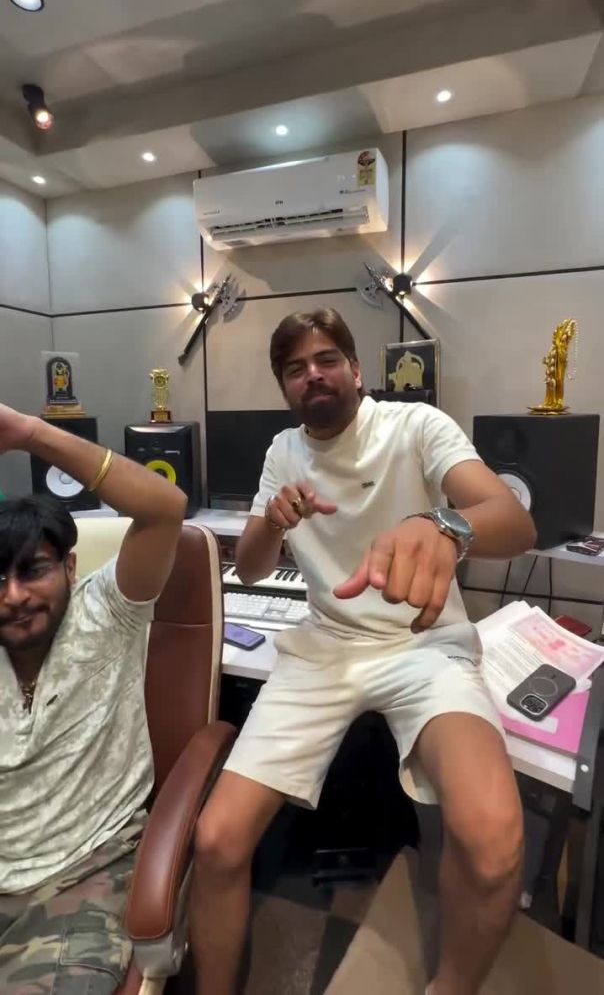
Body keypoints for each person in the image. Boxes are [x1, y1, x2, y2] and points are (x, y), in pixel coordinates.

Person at [191, 307, 537, 995]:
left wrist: (443, 525)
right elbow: (251, 568)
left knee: (493, 842)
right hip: (325, 649)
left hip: (425, 646)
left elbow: (516, 522)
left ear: (355, 369)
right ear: (284, 387)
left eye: (326, 360)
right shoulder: (283, 452)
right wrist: (272, 521)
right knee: (216, 841)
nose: (312, 376)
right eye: (295, 369)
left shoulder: (415, 426)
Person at [0, 402, 187, 993]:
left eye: (33, 570)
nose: (13, 596)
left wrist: (29, 433)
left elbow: (164, 509)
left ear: (70, 568)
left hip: (81, 873)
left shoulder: (107, 613)